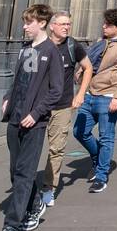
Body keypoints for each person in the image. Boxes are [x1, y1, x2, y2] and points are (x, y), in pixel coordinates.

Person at [0, 4, 65, 231]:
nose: (25, 26)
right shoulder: (26, 50)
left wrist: (36, 113)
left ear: (42, 23)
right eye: (25, 22)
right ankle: (35, 204)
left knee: (25, 173)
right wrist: (8, 98)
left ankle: (12, 226)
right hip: (15, 117)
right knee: (15, 171)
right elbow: (18, 80)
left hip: (34, 122)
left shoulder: (52, 51)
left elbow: (56, 91)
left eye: (29, 22)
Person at [73, 7, 117, 193]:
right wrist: (80, 72)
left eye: (108, 25)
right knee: (79, 131)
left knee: (106, 136)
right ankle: (99, 155)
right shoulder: (100, 42)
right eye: (105, 23)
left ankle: (101, 175)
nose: (104, 26)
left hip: (108, 96)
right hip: (90, 93)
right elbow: (89, 62)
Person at [40, 10, 92, 208]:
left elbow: (88, 67)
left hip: (62, 105)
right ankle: (24, 182)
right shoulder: (40, 45)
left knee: (57, 148)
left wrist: (80, 94)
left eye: (68, 24)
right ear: (51, 26)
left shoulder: (72, 46)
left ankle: (48, 187)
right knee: (31, 147)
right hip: (38, 105)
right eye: (62, 24)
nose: (66, 27)